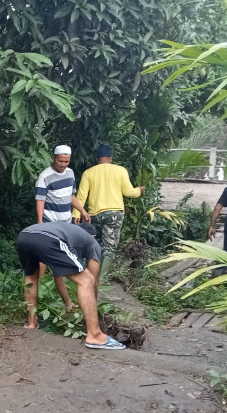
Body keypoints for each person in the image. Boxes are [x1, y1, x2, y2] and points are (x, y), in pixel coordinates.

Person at [16, 221, 125, 349]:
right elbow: (92, 281)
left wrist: (68, 303)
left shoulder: (71, 235)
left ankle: (31, 323)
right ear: (93, 236)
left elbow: (58, 275)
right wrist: (93, 310)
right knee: (86, 280)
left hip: (24, 235)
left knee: (31, 277)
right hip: (48, 237)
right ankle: (95, 335)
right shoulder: (93, 243)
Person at [73, 144, 144, 283]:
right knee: (109, 246)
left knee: (95, 244)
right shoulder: (120, 170)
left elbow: (81, 196)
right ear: (111, 158)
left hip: (95, 215)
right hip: (114, 214)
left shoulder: (88, 173)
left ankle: (88, 275)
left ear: (96, 158)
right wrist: (139, 190)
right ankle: (101, 278)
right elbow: (129, 192)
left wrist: (76, 213)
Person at [34, 145, 90, 311]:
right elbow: (40, 199)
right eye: (60, 161)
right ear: (53, 158)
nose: (63, 164)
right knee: (46, 256)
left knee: (59, 256)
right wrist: (40, 221)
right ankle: (40, 288)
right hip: (50, 222)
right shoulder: (45, 176)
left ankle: (62, 299)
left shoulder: (70, 173)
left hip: (66, 223)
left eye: (66, 161)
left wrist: (82, 210)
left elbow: (71, 196)